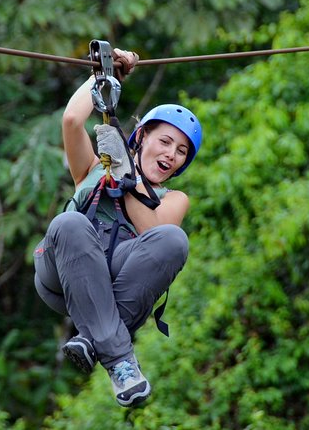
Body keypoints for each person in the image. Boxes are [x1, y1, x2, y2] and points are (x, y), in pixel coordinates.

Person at [33, 48, 202, 407]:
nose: (172, 154)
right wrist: (103, 77)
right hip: (63, 270)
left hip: (116, 282)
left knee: (173, 239)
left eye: (182, 151)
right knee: (70, 222)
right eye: (165, 141)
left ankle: (97, 344)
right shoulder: (94, 168)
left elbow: (153, 231)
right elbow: (71, 121)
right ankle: (120, 357)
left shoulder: (173, 199)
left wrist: (127, 179)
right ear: (141, 137)